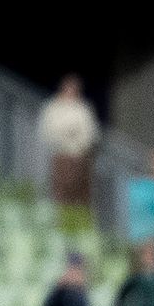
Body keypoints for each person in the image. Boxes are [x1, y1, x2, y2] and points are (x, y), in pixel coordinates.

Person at [37, 74, 98, 216]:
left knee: (81, 198)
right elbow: (48, 131)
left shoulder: (83, 108)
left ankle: (80, 226)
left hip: (80, 157)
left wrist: (77, 139)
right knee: (62, 196)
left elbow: (90, 133)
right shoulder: (53, 107)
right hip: (62, 157)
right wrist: (68, 133)